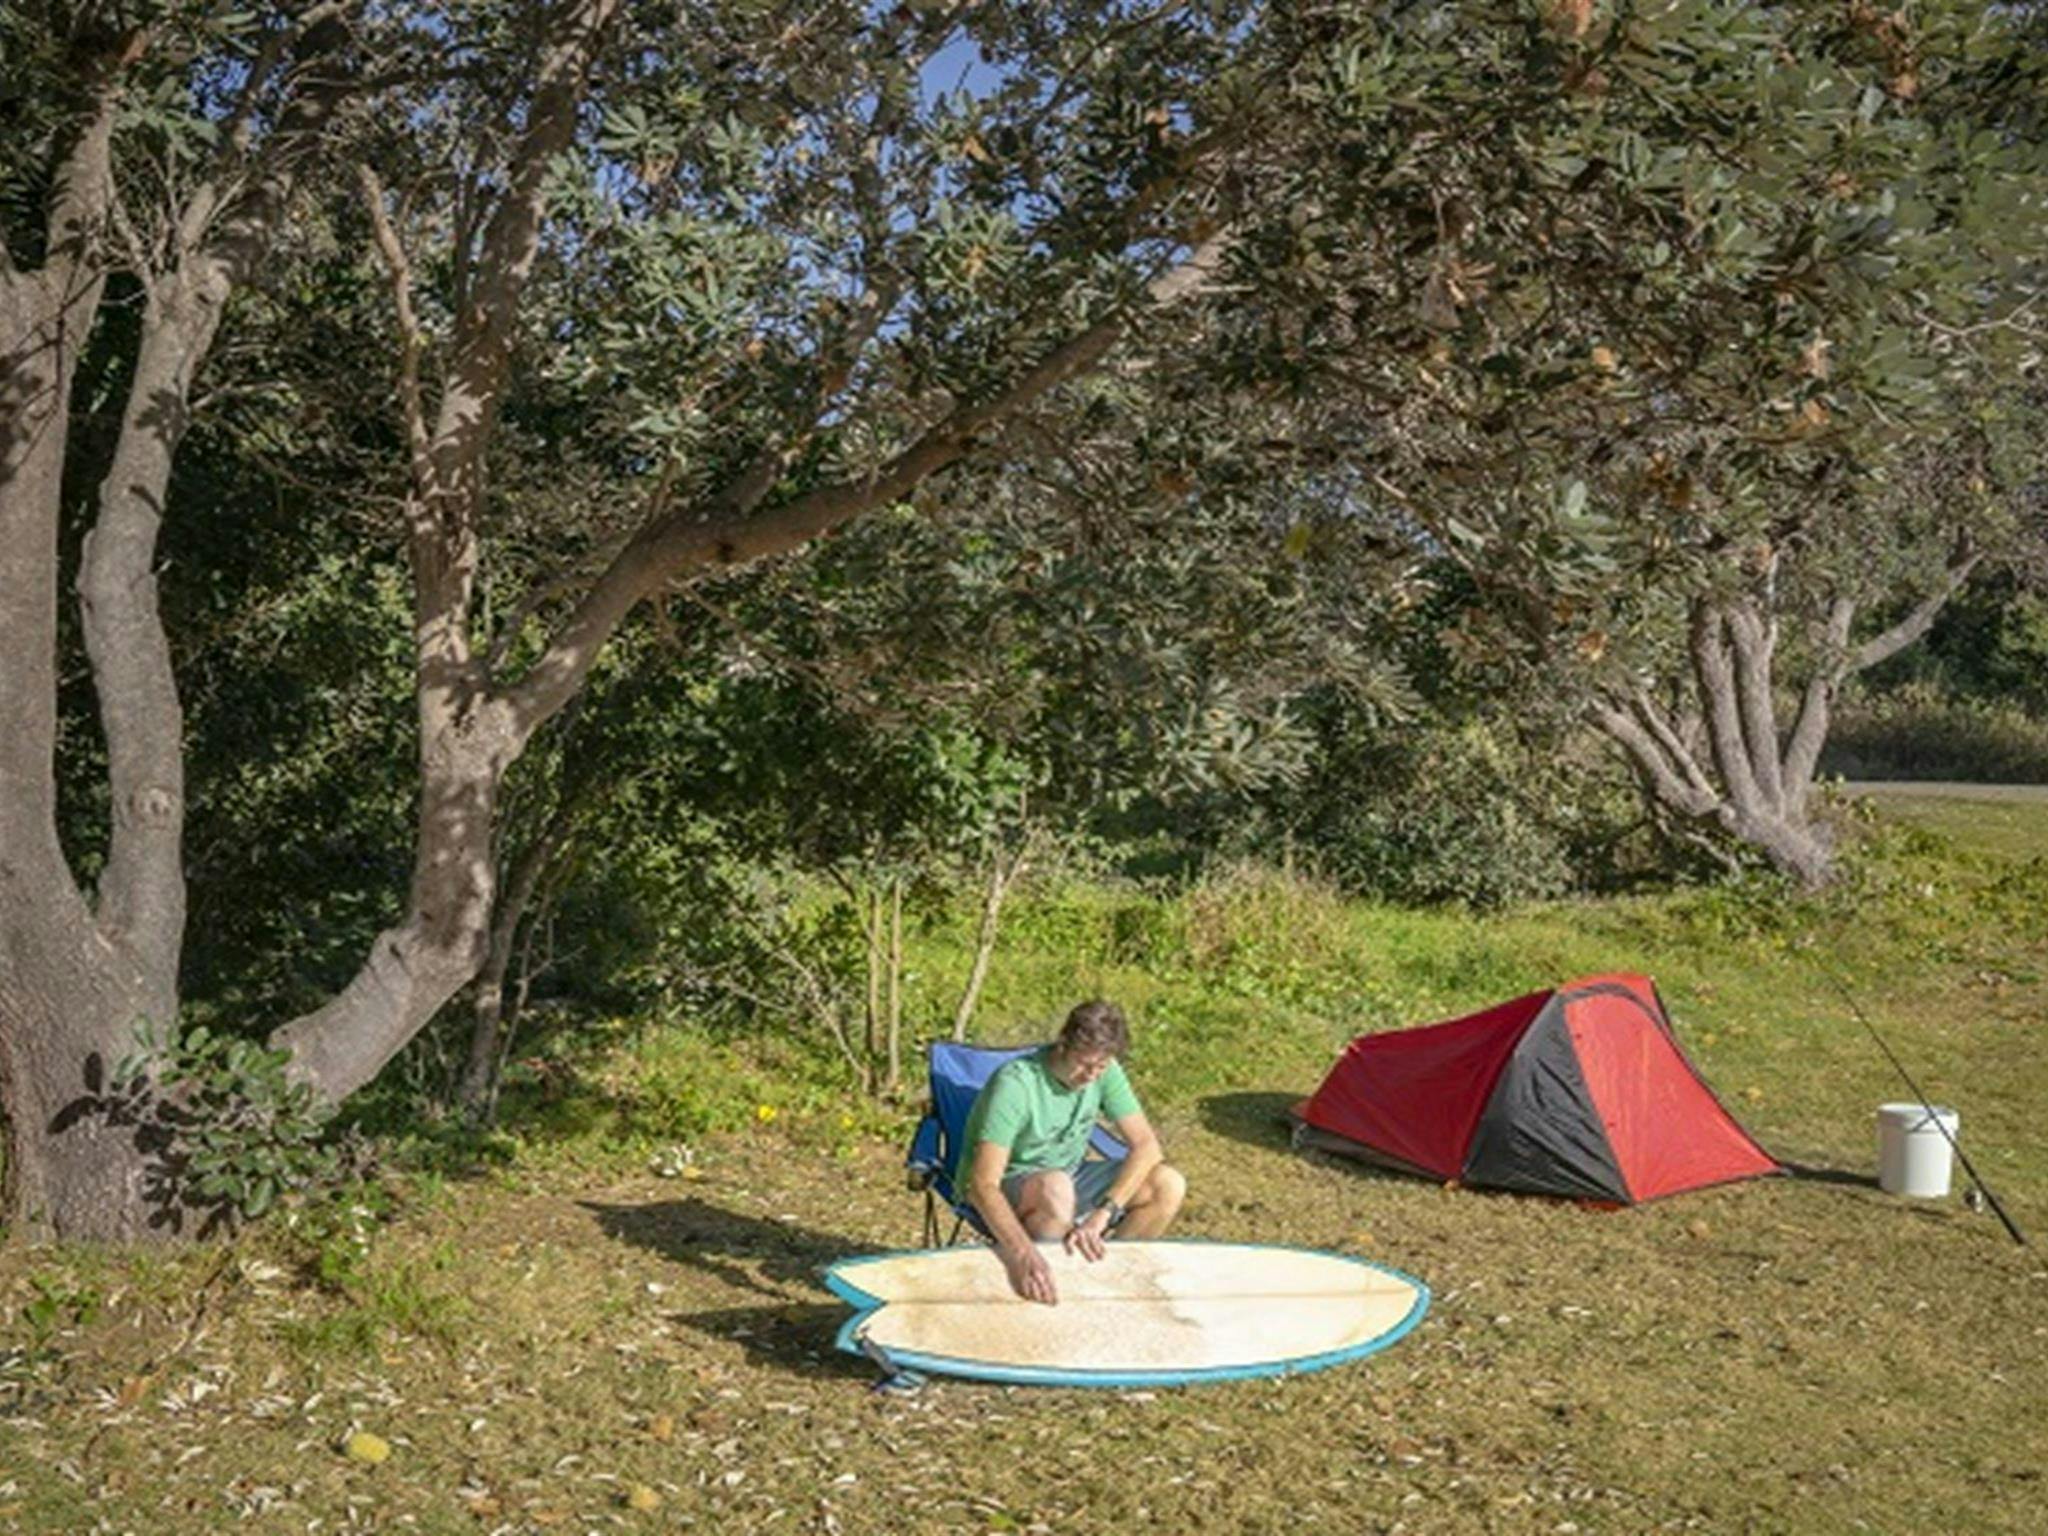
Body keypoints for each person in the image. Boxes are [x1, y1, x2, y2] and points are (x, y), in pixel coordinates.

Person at [961, 1000, 1187, 1305]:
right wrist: (1024, 1254)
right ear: (1062, 1044)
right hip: (1012, 1185)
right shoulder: (1016, 1084)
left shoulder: (1105, 1071)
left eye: (1101, 1066)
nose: (1091, 1075)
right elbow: (982, 1185)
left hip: (1068, 1179)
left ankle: (1109, 1279)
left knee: (1168, 1184)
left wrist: (1104, 1214)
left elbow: (1147, 1147)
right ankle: (1048, 1285)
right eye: (1084, 1063)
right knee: (1055, 1187)